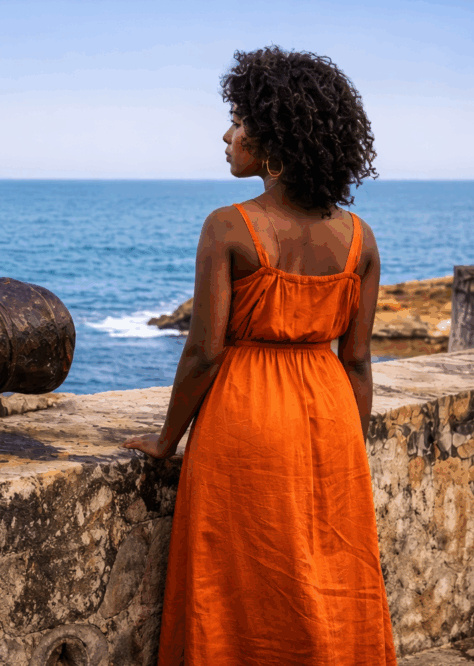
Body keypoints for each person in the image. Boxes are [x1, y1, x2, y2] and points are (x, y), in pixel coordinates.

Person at [123, 46, 397, 665]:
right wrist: (350, 448)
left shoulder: (229, 225)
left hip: (246, 420)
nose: (227, 134)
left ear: (271, 140)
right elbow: (357, 360)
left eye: (239, 121)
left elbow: (202, 352)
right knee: (328, 584)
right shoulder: (360, 239)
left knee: (237, 588)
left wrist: (167, 440)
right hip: (329, 421)